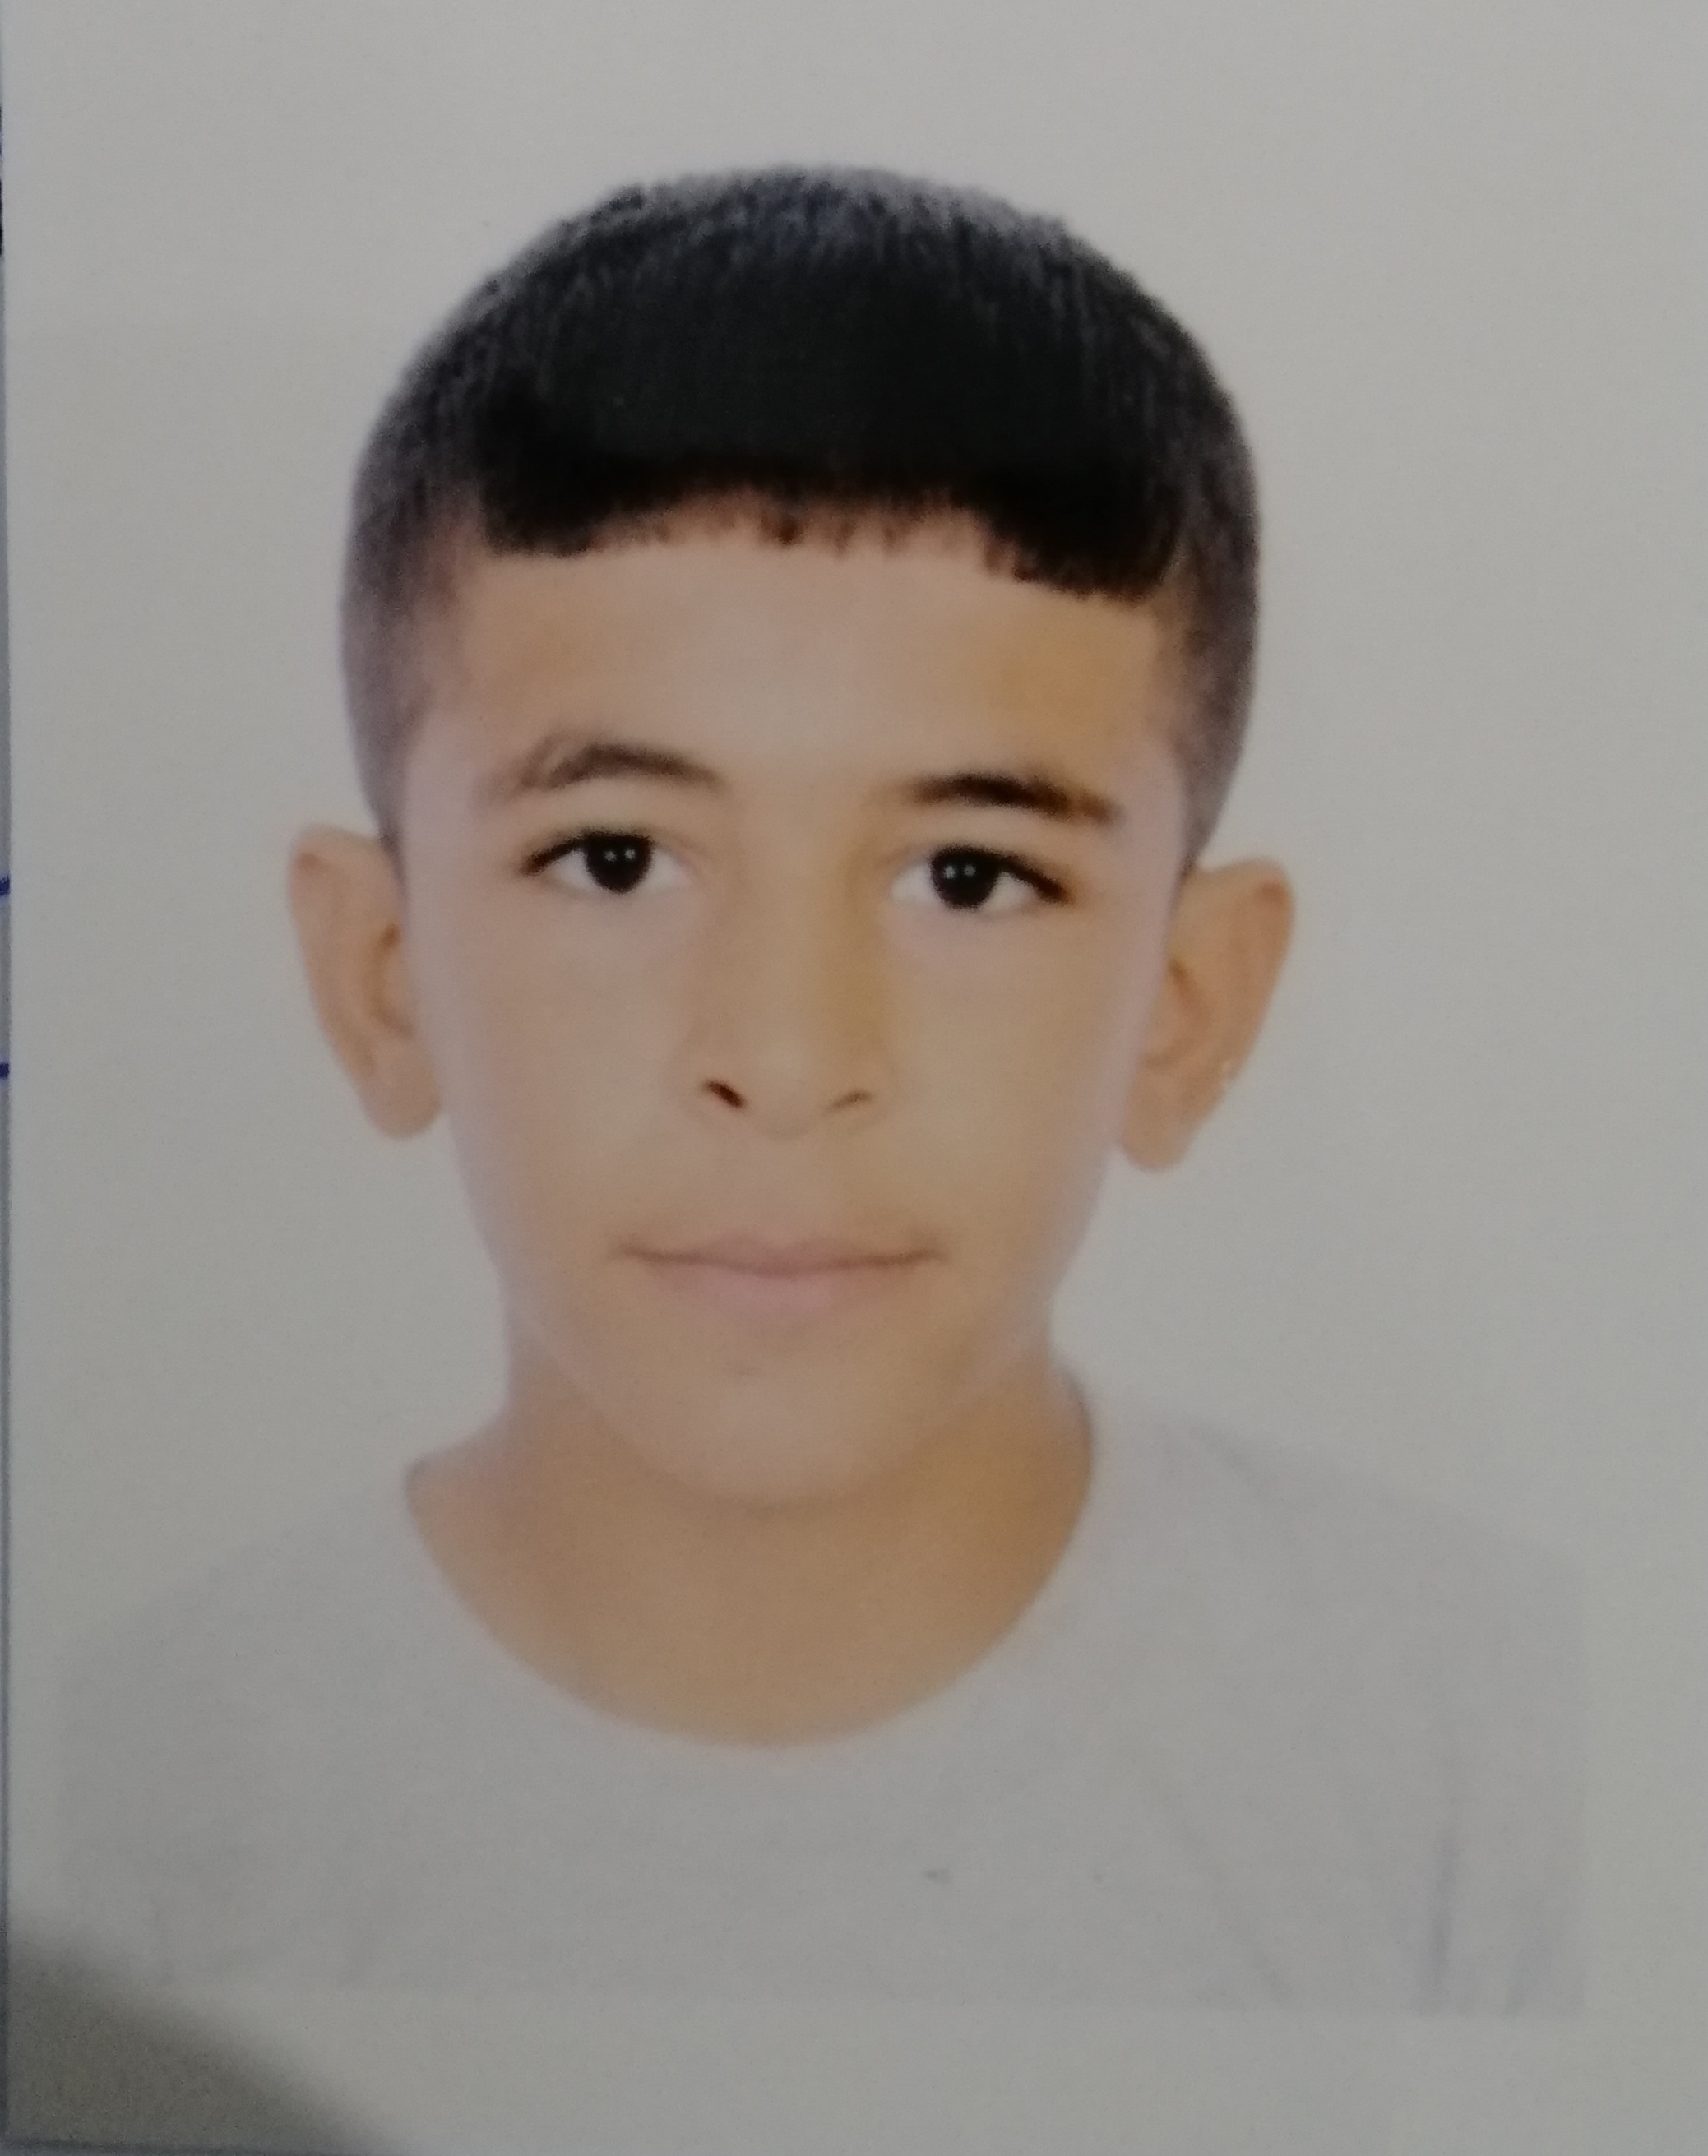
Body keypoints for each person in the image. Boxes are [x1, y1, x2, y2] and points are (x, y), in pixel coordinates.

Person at [61, 167, 1581, 2010]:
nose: (782, 1061)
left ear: (1185, 1009)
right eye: (615, 859)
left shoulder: (1499, 1772)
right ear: (380, 976)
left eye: (969, 876)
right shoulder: (118, 1818)